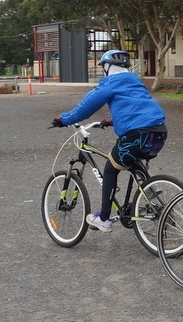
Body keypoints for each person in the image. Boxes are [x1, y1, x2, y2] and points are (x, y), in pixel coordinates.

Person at [51, 50, 168, 233]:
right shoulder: (135, 81)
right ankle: (150, 187)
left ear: (107, 67)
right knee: (131, 159)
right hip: (159, 132)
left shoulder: (110, 84)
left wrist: (64, 119)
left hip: (136, 134)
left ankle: (104, 218)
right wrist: (112, 120)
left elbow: (85, 107)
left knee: (111, 167)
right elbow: (138, 107)